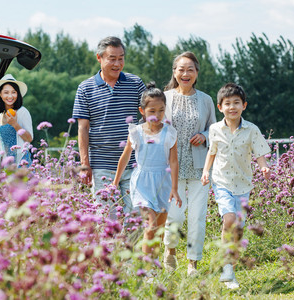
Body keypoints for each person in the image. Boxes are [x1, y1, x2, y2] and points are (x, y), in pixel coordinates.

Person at [201, 83, 270, 288]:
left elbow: (259, 153)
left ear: (244, 105)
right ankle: (226, 267)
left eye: (236, 103)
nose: (232, 107)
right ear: (220, 107)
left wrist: (264, 168)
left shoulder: (252, 130)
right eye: (228, 103)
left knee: (238, 227)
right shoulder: (214, 129)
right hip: (221, 181)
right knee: (229, 219)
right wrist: (206, 171)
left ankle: (231, 263)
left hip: (243, 185)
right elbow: (211, 152)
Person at [72, 36, 146, 220]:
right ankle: (110, 249)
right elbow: (82, 129)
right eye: (112, 58)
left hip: (133, 164)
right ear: (99, 58)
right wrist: (84, 165)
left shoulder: (136, 83)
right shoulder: (85, 88)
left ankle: (131, 249)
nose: (117, 63)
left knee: (136, 217)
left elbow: (151, 116)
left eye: (121, 58)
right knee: (106, 219)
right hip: (101, 166)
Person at [162, 51, 217, 276]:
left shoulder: (206, 100)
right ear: (174, 72)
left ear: (196, 74)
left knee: (196, 216)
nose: (185, 73)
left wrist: (204, 135)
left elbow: (215, 130)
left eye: (190, 70)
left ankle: (193, 263)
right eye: (181, 69)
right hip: (170, 166)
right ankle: (170, 252)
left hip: (199, 167)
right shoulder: (164, 98)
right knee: (174, 215)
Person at [112, 82, 182, 257]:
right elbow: (125, 157)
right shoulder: (136, 132)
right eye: (152, 111)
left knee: (159, 228)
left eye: (161, 110)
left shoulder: (170, 132)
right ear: (142, 111)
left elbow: (173, 162)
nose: (156, 115)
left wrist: (174, 188)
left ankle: (154, 263)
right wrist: (115, 182)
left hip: (163, 184)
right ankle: (148, 268)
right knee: (150, 225)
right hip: (142, 183)